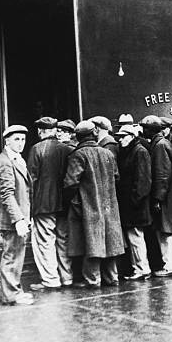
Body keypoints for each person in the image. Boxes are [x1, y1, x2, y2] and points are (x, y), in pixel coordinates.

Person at [64, 121, 124, 287]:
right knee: (110, 242)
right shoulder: (107, 154)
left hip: (88, 206)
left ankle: (93, 279)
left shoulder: (78, 155)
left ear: (78, 136)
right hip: (109, 205)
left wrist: (73, 202)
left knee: (91, 242)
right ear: (94, 134)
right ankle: (112, 277)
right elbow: (116, 177)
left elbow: (70, 183)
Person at [27, 117, 73, 291]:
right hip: (64, 204)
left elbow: (31, 180)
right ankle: (67, 277)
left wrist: (30, 208)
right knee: (63, 240)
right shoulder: (67, 149)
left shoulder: (37, 149)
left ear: (40, 131)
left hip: (44, 204)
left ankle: (51, 280)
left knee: (45, 242)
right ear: (54, 130)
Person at [0, 124, 34, 306]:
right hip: (12, 218)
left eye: (23, 139)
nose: (21, 143)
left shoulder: (16, 159)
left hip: (19, 216)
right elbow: (7, 194)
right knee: (11, 255)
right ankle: (11, 294)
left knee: (16, 254)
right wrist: (18, 219)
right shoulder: (5, 162)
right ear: (7, 140)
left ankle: (15, 291)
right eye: (16, 139)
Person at [141, 115, 172, 277]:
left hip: (164, 197)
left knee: (166, 231)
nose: (143, 131)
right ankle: (170, 263)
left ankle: (171, 264)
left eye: (145, 128)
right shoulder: (161, 143)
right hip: (166, 195)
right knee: (164, 230)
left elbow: (162, 175)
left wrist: (158, 198)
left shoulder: (159, 146)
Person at [115, 124, 152, 280]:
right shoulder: (133, 151)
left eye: (123, 136)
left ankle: (142, 268)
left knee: (136, 238)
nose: (120, 139)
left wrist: (135, 200)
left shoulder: (139, 152)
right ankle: (139, 267)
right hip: (133, 204)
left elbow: (144, 181)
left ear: (132, 136)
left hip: (135, 205)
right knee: (134, 238)